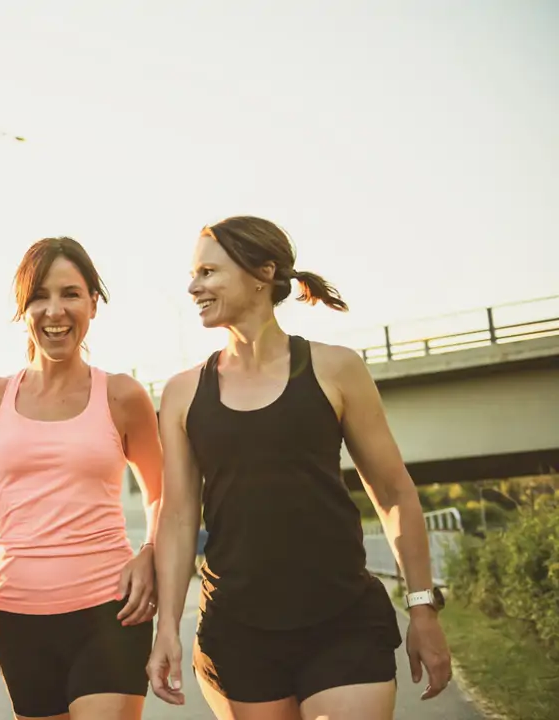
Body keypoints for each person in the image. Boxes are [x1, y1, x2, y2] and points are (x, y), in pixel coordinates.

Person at [146, 216, 453, 719]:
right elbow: (178, 516)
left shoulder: (336, 368)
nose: (193, 286)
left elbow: (394, 491)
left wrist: (422, 607)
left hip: (343, 621)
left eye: (208, 271)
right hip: (237, 630)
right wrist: (166, 632)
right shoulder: (183, 393)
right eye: (194, 273)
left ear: (261, 274)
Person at [0, 237, 165, 720]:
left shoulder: (122, 395)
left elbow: (163, 496)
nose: (54, 310)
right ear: (23, 309)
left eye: (70, 294)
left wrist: (150, 552)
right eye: (39, 296)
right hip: (18, 615)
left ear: (93, 305)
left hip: (110, 609)